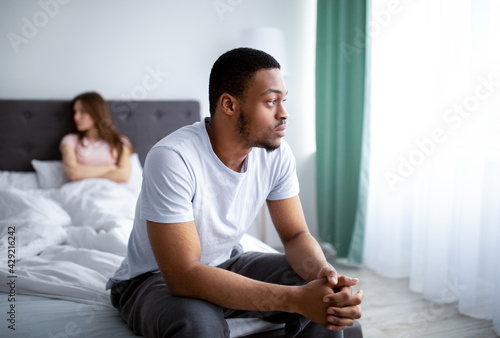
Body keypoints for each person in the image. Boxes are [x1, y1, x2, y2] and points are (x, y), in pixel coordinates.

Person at [106, 48, 363, 338]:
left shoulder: (276, 154)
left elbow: (295, 236)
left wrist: (324, 275)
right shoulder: (173, 157)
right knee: (198, 325)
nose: (284, 113)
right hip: (154, 279)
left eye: (283, 100)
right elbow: (183, 276)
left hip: (227, 263)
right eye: (271, 101)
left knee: (326, 296)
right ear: (229, 104)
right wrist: (294, 300)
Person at [60, 92, 133, 183]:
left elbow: (123, 175)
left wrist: (85, 173)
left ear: (96, 113)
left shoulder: (120, 141)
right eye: (75, 112)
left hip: (110, 191)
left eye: (82, 112)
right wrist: (110, 168)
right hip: (80, 190)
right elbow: (73, 173)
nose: (76, 117)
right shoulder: (70, 140)